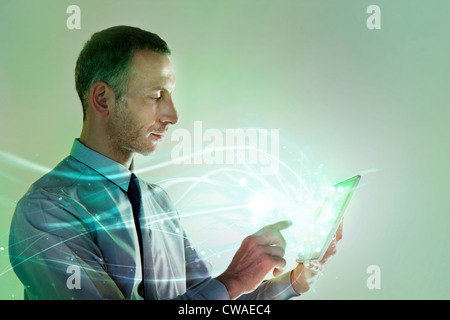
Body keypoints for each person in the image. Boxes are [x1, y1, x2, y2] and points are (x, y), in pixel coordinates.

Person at [8, 26, 342, 300]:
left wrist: (295, 281)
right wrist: (234, 279)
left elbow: (203, 304)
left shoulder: (158, 202)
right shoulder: (46, 212)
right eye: (155, 97)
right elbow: (215, 294)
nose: (172, 115)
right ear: (102, 99)